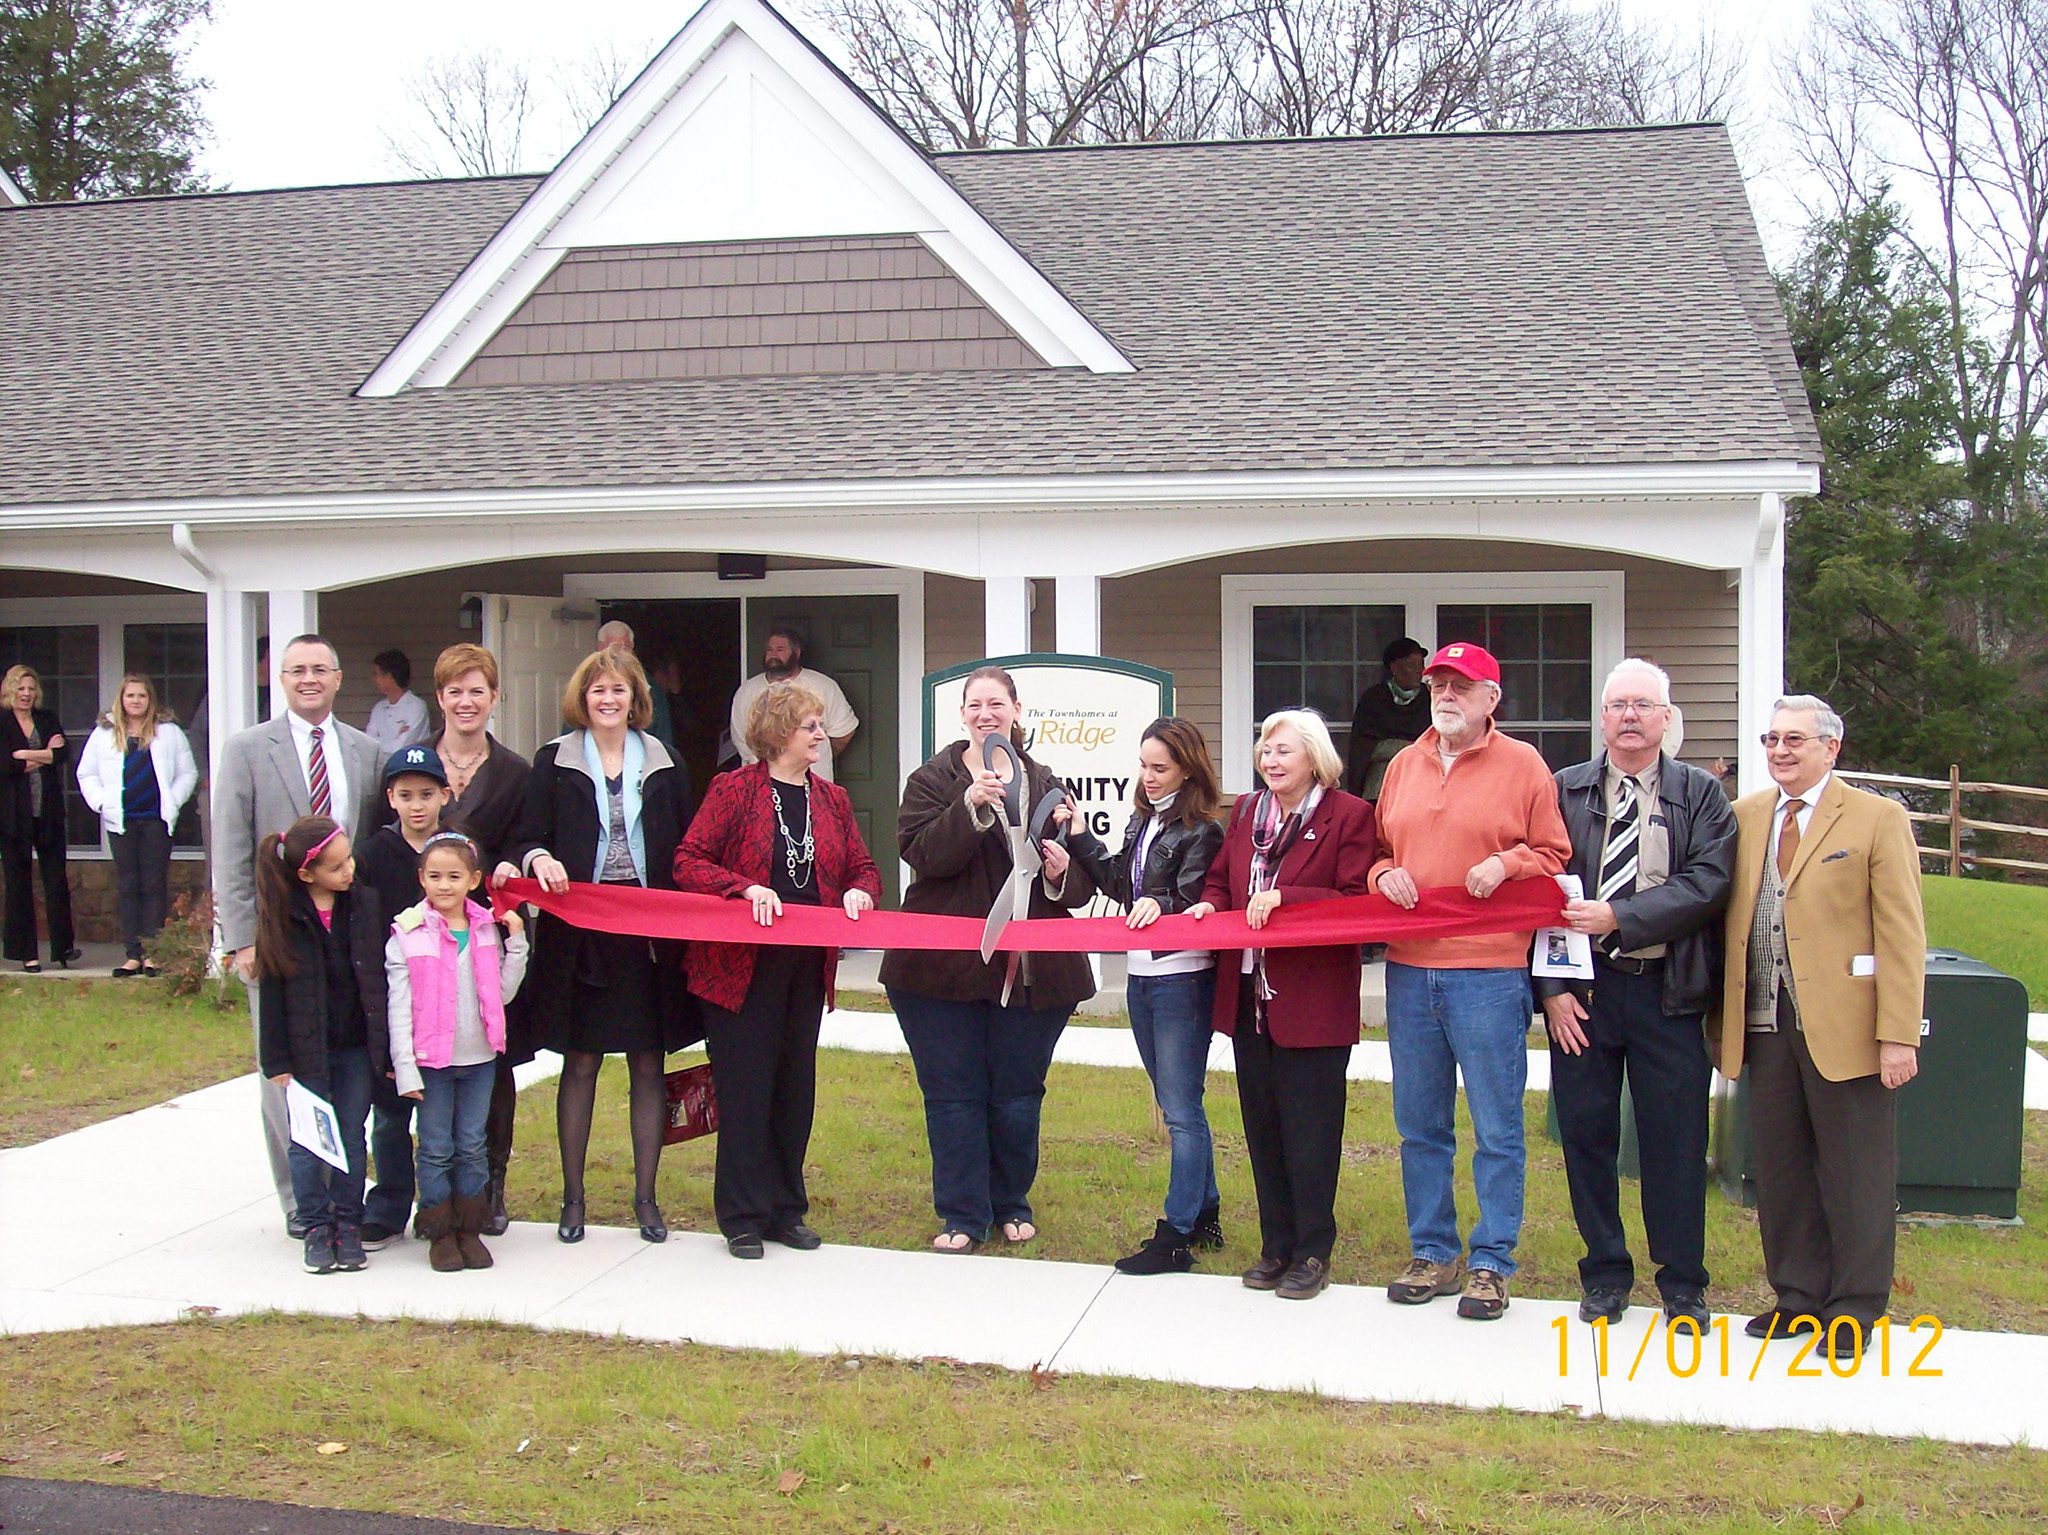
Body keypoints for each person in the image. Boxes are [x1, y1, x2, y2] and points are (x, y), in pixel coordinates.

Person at [1719, 694, 1925, 1352]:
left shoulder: (1876, 818)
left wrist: (1898, 1032)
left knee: (1855, 1171)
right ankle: (1798, 1297)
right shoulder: (1747, 816)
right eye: (1771, 739)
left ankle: (1855, 1306)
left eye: (1795, 740)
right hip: (1765, 1020)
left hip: (1849, 1025)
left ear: (1830, 748)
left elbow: (1902, 934)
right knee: (1779, 1170)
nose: (1780, 750)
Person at [1372, 641, 1570, 1321]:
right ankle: (1433, 1250)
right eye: (1438, 685)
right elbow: (1376, 851)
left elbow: (1555, 855)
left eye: (1461, 685)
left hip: (1488, 970)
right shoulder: (1403, 763)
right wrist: (1380, 875)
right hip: (1410, 968)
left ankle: (1491, 1261)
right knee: (1420, 1124)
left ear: (1492, 698)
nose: (1446, 695)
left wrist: (1511, 864)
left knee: (1496, 1126)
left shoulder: (1525, 766)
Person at [1536, 659, 1736, 1330]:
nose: (1629, 715)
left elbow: (1710, 882)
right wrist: (1554, 990)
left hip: (1667, 991)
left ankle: (1683, 1284)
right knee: (1586, 1136)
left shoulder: (1701, 794)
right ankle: (1605, 1274)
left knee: (1674, 1141)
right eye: (1617, 703)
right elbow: (1540, 892)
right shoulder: (1563, 790)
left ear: (1666, 718)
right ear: (1601, 717)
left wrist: (1622, 914)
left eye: (1643, 704)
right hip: (1583, 995)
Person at [878, 664, 1096, 1253]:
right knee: (953, 1091)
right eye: (974, 705)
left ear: (1017, 711)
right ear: (962, 716)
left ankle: (1011, 1203)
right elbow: (925, 857)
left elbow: (1078, 887)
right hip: (939, 975)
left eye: (996, 703)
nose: (985, 714)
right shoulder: (932, 780)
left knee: (1019, 1093)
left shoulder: (1047, 781)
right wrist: (969, 807)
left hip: (1031, 974)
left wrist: (1060, 870)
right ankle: (962, 1214)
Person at [672, 683, 883, 1259]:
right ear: (777, 732)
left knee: (795, 1089)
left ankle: (787, 1209)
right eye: (810, 726)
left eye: (819, 726)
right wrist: (743, 888)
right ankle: (742, 1215)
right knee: (746, 1088)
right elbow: (689, 861)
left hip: (804, 967)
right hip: (740, 969)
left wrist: (860, 894)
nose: (821, 735)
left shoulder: (832, 800)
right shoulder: (733, 790)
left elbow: (864, 866)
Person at [497, 647, 697, 1246]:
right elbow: (528, 835)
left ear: (637, 699)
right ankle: (574, 1199)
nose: (607, 701)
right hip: (580, 932)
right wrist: (540, 858)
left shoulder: (665, 761)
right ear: (582, 700)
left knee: (647, 1063)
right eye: (596, 692)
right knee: (580, 1063)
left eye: (618, 691)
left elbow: (685, 848)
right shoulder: (553, 761)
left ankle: (646, 1198)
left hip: (647, 935)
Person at [1186, 710, 1376, 1301]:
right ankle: (1275, 1246)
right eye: (1265, 749)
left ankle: (1313, 1250)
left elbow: (1352, 900)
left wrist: (1285, 899)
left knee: (1311, 1130)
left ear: (1315, 758)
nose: (1270, 759)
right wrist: (1206, 907)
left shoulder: (1349, 815)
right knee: (1262, 1126)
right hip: (1248, 994)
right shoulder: (1244, 812)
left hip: (1312, 1000)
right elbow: (1221, 880)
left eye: (1283, 750)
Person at [214, 634, 386, 1236]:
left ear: (339, 679)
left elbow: (368, 847)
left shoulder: (367, 751)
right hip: (277, 937)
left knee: (347, 1065)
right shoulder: (245, 750)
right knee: (283, 1068)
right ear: (280, 680)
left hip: (344, 939)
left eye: (320, 669)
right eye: (296, 670)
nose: (308, 678)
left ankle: (345, 1194)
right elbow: (232, 848)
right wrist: (241, 939)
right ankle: (298, 1199)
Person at [1070, 717, 1229, 1275]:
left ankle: (1177, 1233)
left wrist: (1161, 904)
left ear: (1188, 768)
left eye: (1159, 767)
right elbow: (1120, 883)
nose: (1148, 776)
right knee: (1177, 1103)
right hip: (1142, 976)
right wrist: (1077, 835)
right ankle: (1205, 1213)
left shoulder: (1203, 829)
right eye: (1143, 765)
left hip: (1183, 978)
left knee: (1181, 1110)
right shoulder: (1145, 821)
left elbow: (1189, 895)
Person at [387, 831, 529, 1274]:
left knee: (471, 1144)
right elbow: (399, 1008)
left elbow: (502, 993)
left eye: (453, 876)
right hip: (433, 1063)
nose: (443, 885)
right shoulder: (407, 934)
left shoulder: (487, 927)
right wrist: (405, 1069)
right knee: (434, 1147)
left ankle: (470, 1226)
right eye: (434, 876)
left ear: (473, 880)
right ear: (421, 879)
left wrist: (518, 943)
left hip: (479, 1059)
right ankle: (438, 1229)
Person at [429, 644, 533, 1236]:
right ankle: (431, 1187)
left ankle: (489, 1186)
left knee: (493, 1060)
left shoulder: (516, 772)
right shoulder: (413, 763)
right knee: (428, 1060)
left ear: (495, 697)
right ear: (439, 697)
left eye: (477, 691)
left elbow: (526, 841)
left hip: (489, 936)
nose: (465, 702)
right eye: (454, 691)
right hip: (424, 940)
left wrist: (509, 866)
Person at [253, 816, 387, 1276]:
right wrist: (276, 1060)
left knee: (351, 1135)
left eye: (348, 858)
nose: (348, 870)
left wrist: (383, 1049)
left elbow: (378, 981)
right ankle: (314, 1225)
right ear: (306, 875)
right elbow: (271, 993)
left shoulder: (364, 905)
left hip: (355, 1047)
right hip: (305, 1052)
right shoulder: (283, 918)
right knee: (309, 1141)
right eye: (336, 867)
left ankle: (347, 1223)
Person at [352, 743, 456, 1247]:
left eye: (427, 794)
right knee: (391, 1113)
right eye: (406, 795)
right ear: (390, 798)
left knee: (444, 1117)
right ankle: (390, 1203)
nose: (417, 805)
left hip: (447, 1002)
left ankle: (446, 1205)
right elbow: (363, 931)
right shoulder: (371, 855)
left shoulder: (457, 853)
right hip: (393, 998)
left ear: (445, 795)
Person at [76, 675, 200, 977]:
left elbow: (188, 772)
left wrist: (173, 798)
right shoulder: (104, 734)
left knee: (154, 885)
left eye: (141, 696)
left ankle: (153, 954)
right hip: (122, 821)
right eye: (130, 696)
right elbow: (86, 773)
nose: (135, 701)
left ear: (150, 699)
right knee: (129, 885)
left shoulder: (168, 733)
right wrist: (102, 802)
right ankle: (133, 954)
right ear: (121, 699)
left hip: (155, 820)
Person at [1, 665, 79, 973]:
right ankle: (26, 953)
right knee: (18, 883)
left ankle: (63, 948)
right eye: (21, 688)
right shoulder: (3, 722)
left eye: (31, 688)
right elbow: (5, 765)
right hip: (12, 816)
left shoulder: (47, 719)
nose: (26, 694)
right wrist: (41, 755)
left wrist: (24, 756)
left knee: (56, 880)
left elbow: (61, 755)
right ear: (10, 690)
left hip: (47, 812)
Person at [730, 626, 859, 784]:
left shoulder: (824, 686)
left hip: (813, 785)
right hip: (761, 787)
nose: (773, 655)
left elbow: (843, 733)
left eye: (780, 649)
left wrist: (812, 754)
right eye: (770, 650)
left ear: (796, 653)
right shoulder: (747, 691)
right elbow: (742, 738)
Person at [1344, 638, 1431, 800]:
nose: (1420, 671)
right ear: (1394, 667)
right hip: (1382, 781)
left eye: (1421, 664)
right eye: (1411, 665)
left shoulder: (1432, 699)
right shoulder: (1374, 699)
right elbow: (1364, 747)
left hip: (1423, 776)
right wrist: (1412, 748)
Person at [596, 620, 675, 759]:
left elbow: (664, 740)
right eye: (612, 648)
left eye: (624, 648)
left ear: (632, 649)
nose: (618, 655)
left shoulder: (651, 690)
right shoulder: (584, 688)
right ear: (599, 648)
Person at [365, 650, 432, 754]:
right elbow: (368, 745)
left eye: (376, 674)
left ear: (389, 676)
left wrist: (380, 742)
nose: (373, 679)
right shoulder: (379, 708)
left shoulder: (416, 707)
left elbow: (401, 748)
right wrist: (396, 738)